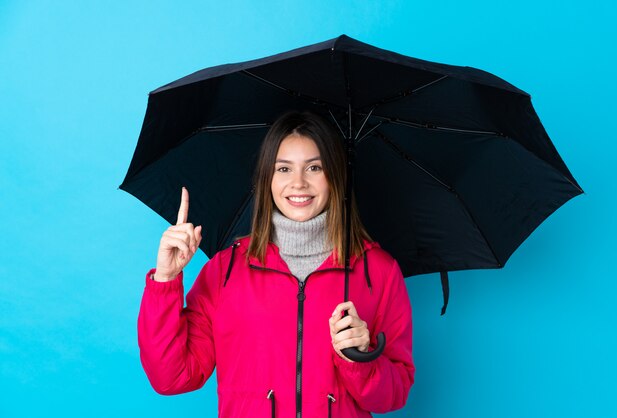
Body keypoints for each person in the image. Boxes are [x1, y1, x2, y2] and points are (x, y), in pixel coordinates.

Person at [138, 111, 415, 418]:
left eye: (314, 167)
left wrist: (360, 358)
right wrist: (165, 280)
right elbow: (172, 377)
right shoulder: (225, 271)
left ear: (335, 175)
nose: (298, 183)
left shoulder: (378, 271)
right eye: (283, 168)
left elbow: (393, 396)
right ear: (266, 179)